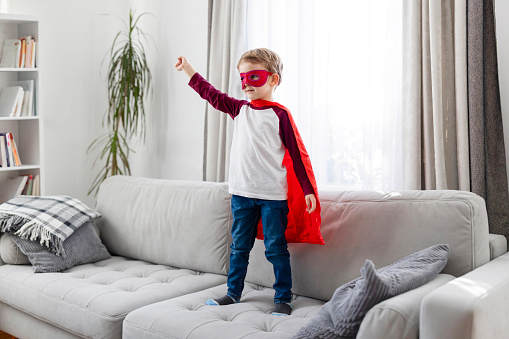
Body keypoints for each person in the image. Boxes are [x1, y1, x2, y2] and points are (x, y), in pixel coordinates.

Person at [175, 48, 323, 316]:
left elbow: (297, 156)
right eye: (242, 78)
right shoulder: (239, 109)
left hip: (273, 197)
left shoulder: (280, 115)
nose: (246, 84)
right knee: (239, 247)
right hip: (242, 194)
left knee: (275, 249)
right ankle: (233, 293)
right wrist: (189, 70)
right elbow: (211, 94)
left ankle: (283, 297)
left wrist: (308, 190)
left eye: (253, 77)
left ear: (273, 80)